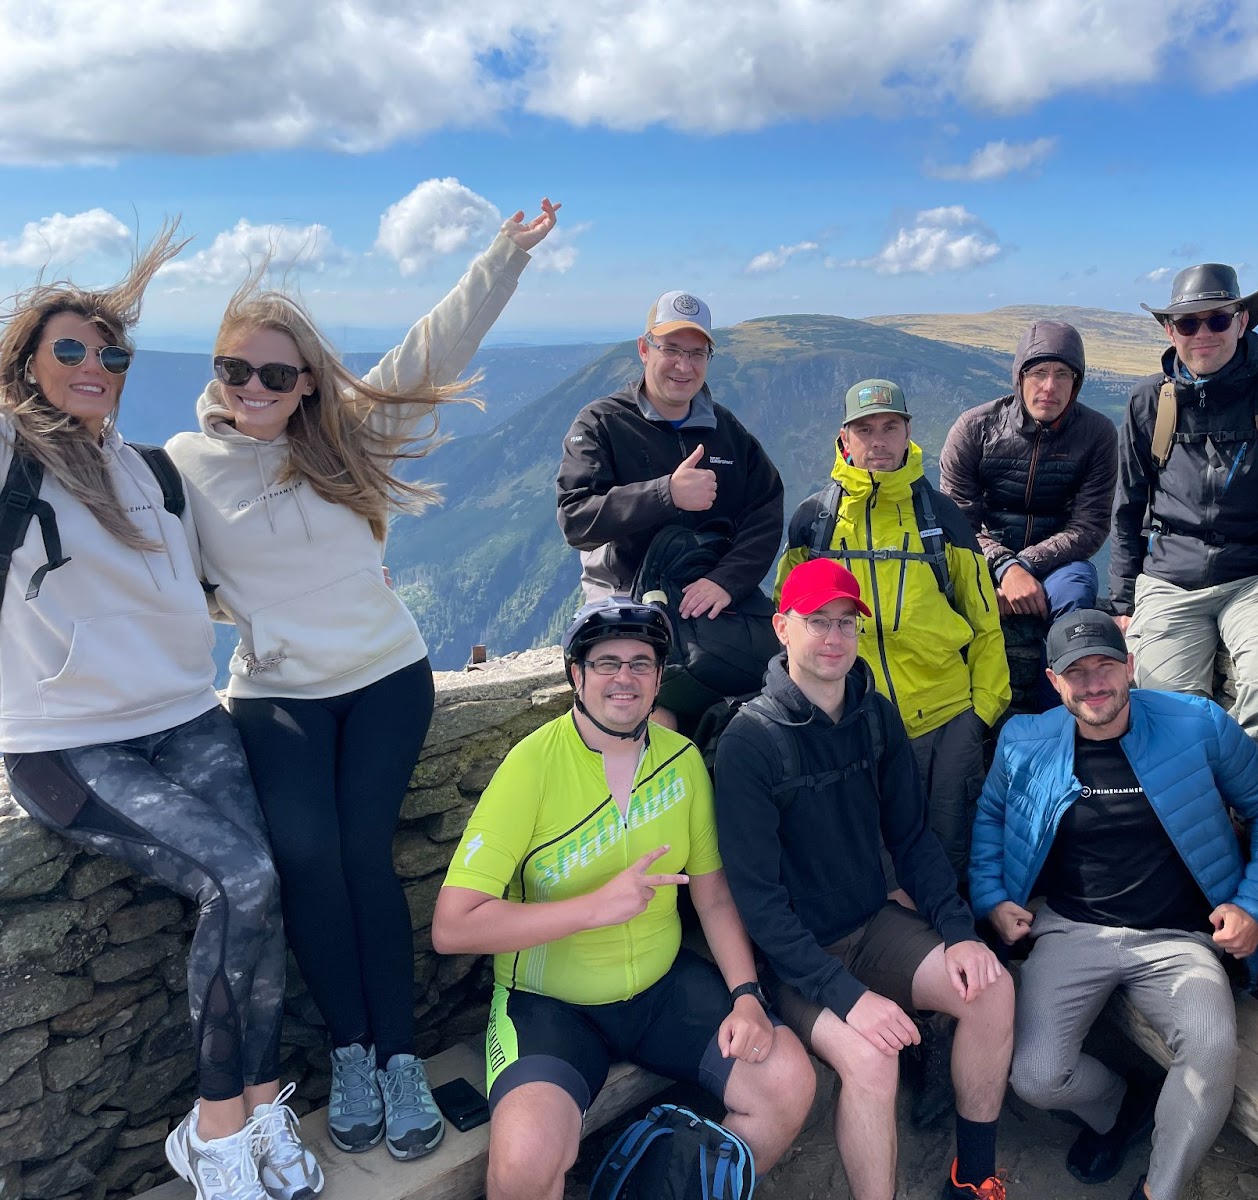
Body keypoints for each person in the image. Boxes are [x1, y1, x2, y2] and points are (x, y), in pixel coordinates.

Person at [165, 201, 561, 1162]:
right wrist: (240, 615)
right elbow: (157, 571)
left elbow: (436, 346)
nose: (251, 387)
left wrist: (505, 255)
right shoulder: (180, 465)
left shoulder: (346, 433)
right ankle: (350, 1051)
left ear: (304, 382)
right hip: (275, 692)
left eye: (273, 372)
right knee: (306, 861)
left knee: (359, 858)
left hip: (385, 676)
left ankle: (397, 1059)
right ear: (215, 373)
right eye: (233, 369)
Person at [0, 231, 320, 1200]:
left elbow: (193, 588)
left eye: (112, 354)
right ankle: (214, 1131)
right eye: (70, 350)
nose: (96, 366)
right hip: (69, 744)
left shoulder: (150, 472)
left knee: (262, 890)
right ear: (24, 364)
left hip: (187, 718)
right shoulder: (16, 458)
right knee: (241, 875)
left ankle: (260, 1103)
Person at [432, 599, 814, 1200]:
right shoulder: (530, 768)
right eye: (606, 662)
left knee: (788, 1083)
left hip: (661, 989)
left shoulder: (682, 762)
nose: (625, 678)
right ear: (576, 677)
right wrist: (595, 908)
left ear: (661, 678)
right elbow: (453, 926)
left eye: (642, 663)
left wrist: (746, 996)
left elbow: (713, 895)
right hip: (550, 1005)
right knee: (524, 1169)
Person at [715, 558, 1015, 1200]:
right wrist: (848, 998)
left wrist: (960, 932)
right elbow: (759, 904)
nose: (834, 638)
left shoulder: (875, 716)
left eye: (846, 623)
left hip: (871, 925)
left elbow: (911, 839)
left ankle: (974, 1174)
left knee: (990, 988)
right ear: (781, 628)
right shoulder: (751, 741)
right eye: (816, 621)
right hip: (793, 960)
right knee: (873, 1061)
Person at [970, 610, 1258, 1200]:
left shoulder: (1197, 724)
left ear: (1130, 666)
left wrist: (1255, 906)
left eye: (1106, 666)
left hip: (1179, 937)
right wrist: (991, 899)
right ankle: (1120, 1107)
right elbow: (991, 819)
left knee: (1212, 1048)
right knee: (1035, 1077)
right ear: (1055, 683)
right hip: (1071, 928)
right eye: (1076, 672)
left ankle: (1159, 1189)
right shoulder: (1023, 740)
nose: (1094, 684)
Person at [776, 378, 1008, 877]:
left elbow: (985, 624)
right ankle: (899, 955)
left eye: (889, 427)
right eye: (865, 429)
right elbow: (788, 623)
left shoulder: (942, 517)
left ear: (908, 434)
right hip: (850, 723)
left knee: (948, 857)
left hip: (945, 720)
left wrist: (979, 716)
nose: (877, 441)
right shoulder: (814, 523)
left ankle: (959, 949)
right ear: (845, 439)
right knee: (870, 863)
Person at [1108, 265, 1258, 757]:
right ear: (1170, 331)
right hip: (1169, 582)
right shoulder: (1149, 401)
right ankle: (1203, 821)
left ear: (1242, 321)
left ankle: (1250, 816)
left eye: (1217, 320)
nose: (1202, 334)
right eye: (1188, 323)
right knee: (1164, 716)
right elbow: (1127, 507)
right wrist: (1123, 603)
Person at [555, 289, 783, 614]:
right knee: (636, 662)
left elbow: (766, 509)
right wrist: (666, 494)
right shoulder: (602, 423)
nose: (684, 365)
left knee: (772, 657)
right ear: (644, 350)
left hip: (707, 594)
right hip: (627, 592)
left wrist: (727, 580)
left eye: (697, 354)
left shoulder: (726, 429)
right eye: (671, 349)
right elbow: (576, 521)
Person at [940, 321, 1117, 709]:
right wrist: (1003, 567)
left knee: (1074, 598)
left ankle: (1054, 719)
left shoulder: (1097, 435)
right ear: (1019, 377)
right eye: (1038, 373)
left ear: (1077, 381)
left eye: (1062, 374)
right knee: (948, 602)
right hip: (980, 558)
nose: (1049, 386)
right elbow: (957, 522)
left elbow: (1089, 527)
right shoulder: (974, 429)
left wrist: (1024, 566)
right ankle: (966, 714)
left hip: (1059, 563)